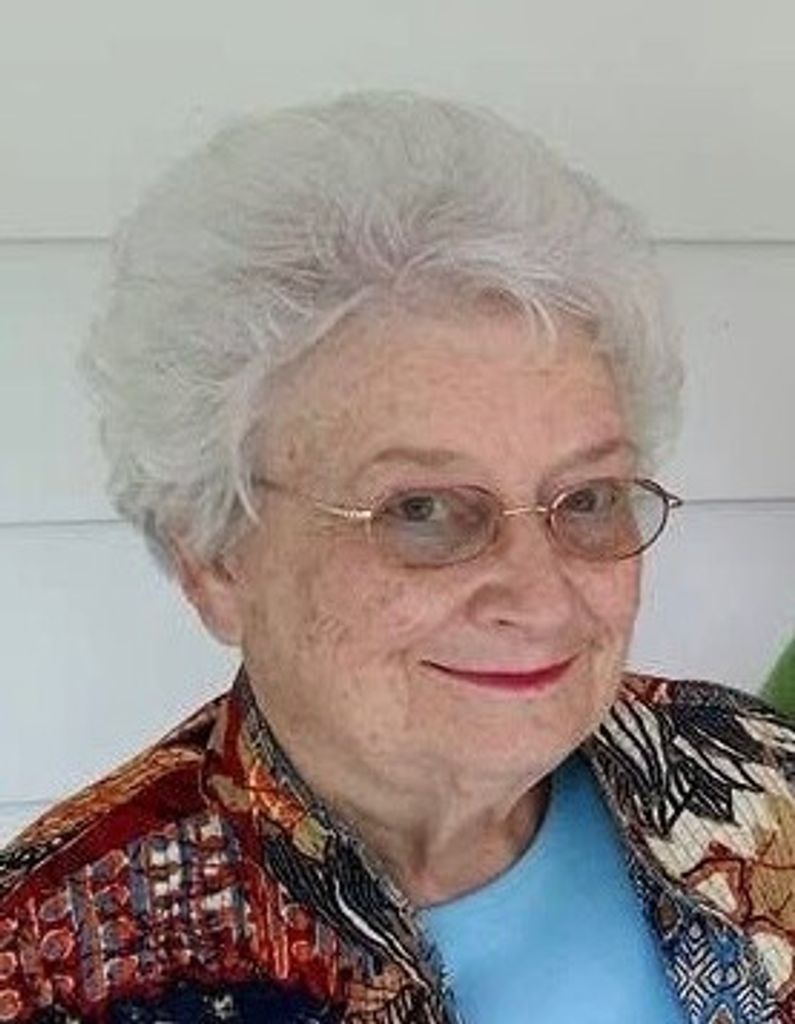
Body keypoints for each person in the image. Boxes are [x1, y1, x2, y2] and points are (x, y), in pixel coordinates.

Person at [1, 91, 793, 1024]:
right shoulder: (50, 963)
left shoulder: (750, 773)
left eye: (586, 499)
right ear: (213, 558)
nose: (541, 598)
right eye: (422, 511)